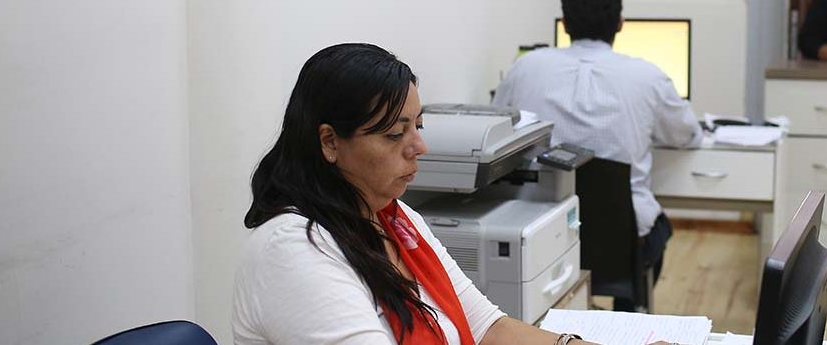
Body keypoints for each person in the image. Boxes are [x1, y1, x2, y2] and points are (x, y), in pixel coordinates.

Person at [232, 43, 595, 345]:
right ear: (330, 141)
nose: (419, 146)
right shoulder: (294, 248)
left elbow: (487, 328)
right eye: (394, 134)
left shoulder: (397, 219)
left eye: (418, 125)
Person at [492, 0, 703, 311]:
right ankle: (629, 314)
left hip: (540, 227)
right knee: (656, 228)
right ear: (620, 23)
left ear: (565, 23)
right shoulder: (647, 76)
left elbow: (499, 127)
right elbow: (687, 134)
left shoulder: (525, 67)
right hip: (620, 240)